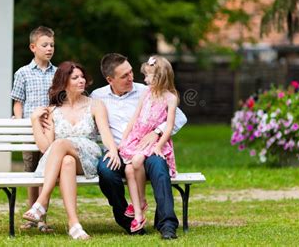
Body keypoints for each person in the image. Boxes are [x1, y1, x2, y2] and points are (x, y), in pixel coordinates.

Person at [91, 53, 187, 240]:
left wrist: (157, 132)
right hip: (117, 150)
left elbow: (180, 117)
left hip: (147, 149)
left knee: (159, 166)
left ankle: (167, 224)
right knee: (106, 171)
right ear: (110, 79)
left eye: (131, 72)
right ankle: (127, 220)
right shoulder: (98, 96)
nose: (131, 78)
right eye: (124, 76)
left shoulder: (147, 89)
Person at [23, 61, 121, 240]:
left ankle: (42, 201)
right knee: (66, 160)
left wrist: (113, 150)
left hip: (88, 156)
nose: (81, 80)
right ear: (64, 82)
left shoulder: (95, 105)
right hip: (64, 160)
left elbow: (106, 134)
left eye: (82, 76)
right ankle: (74, 224)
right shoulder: (53, 110)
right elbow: (46, 147)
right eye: (75, 78)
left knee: (60, 144)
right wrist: (34, 120)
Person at [118, 55, 178, 233]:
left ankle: (142, 201)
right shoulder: (146, 93)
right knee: (130, 168)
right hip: (137, 138)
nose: (144, 80)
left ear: (158, 76)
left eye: (148, 76)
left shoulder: (170, 97)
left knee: (136, 162)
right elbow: (135, 118)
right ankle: (139, 208)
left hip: (155, 142)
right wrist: (124, 140)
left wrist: (159, 146)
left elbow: (169, 125)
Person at [10, 26, 56, 232]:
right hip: (30, 132)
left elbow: (61, 100)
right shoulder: (23, 73)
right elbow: (18, 102)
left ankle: (42, 217)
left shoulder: (58, 73)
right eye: (44, 45)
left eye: (52, 45)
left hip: (50, 131)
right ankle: (31, 215)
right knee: (31, 173)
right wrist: (20, 122)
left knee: (46, 174)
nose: (49, 49)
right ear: (33, 47)